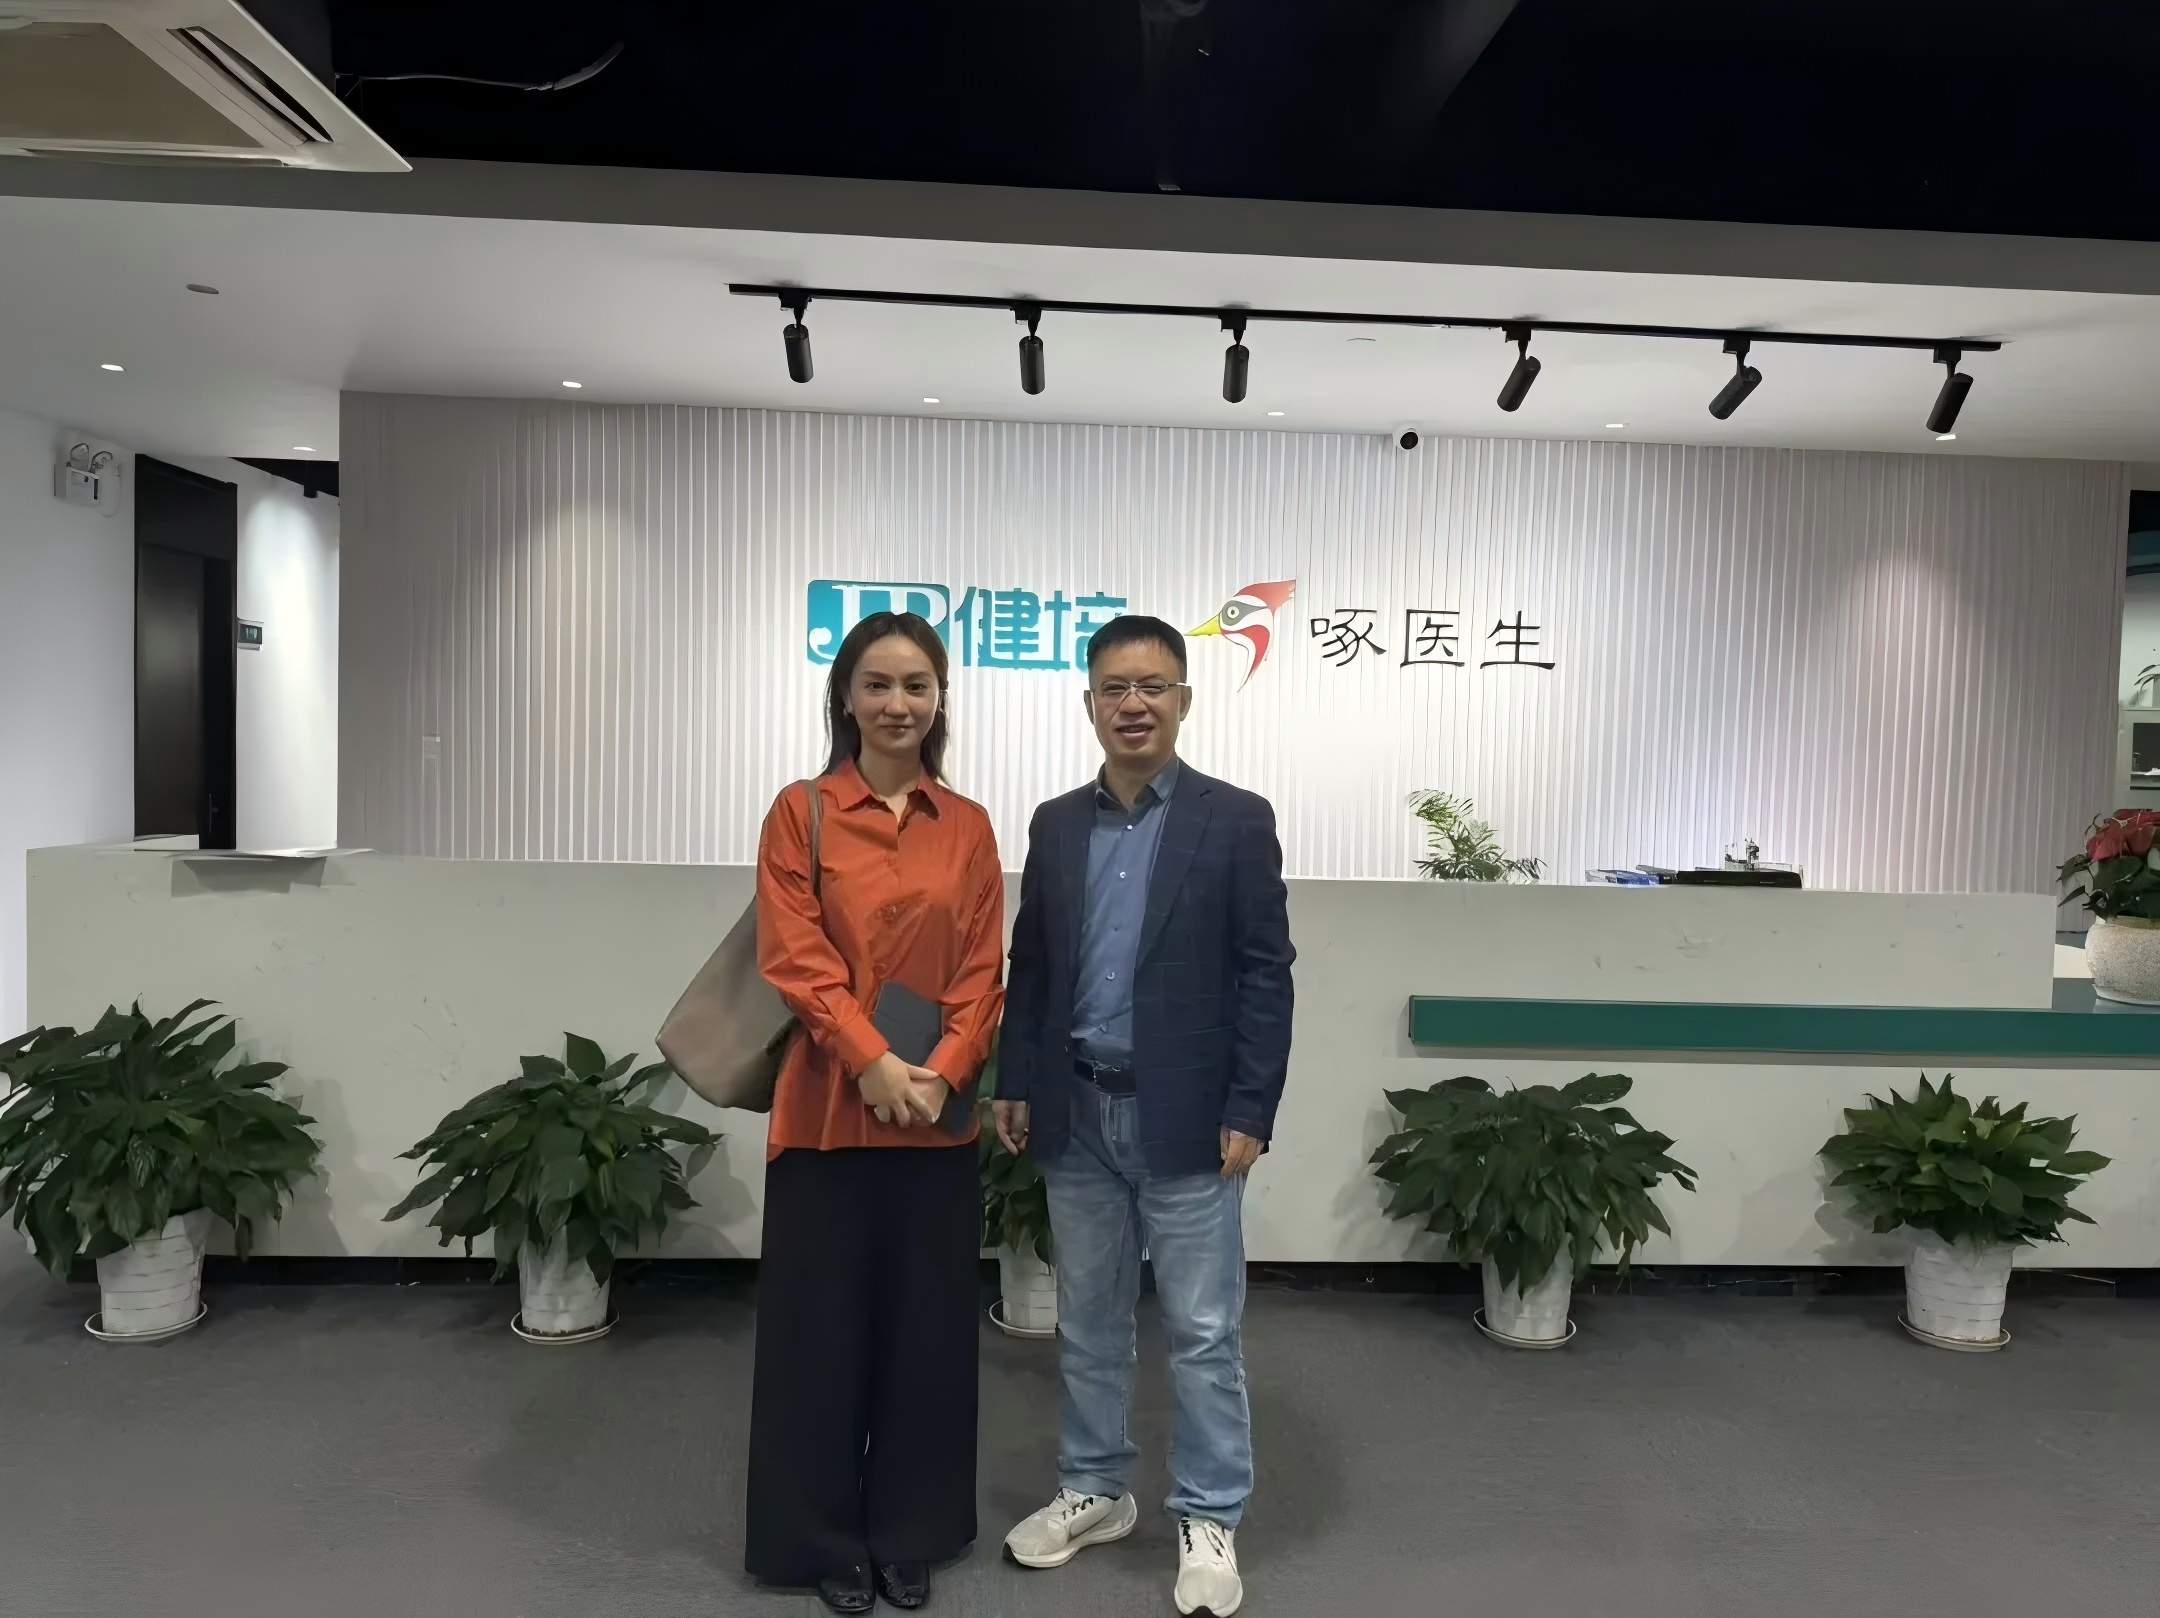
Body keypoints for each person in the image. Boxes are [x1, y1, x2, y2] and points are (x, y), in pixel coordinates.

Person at [995, 613, 1296, 1618]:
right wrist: (1015, 1078)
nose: (1134, 703)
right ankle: (1097, 1485)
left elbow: (1266, 973)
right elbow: (1033, 964)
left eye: (1153, 686)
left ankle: (1209, 1513)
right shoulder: (1055, 824)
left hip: (1192, 1118)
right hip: (1076, 1108)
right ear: (1090, 704)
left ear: (1184, 701)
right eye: (1115, 688)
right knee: (1088, 1319)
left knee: (1203, 1332)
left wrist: (1252, 1102)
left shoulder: (1235, 819)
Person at [746, 610, 1005, 1615]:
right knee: (819, 1336)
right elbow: (794, 957)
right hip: (825, 1113)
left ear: (940, 700)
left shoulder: (968, 825)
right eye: (878, 684)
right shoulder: (800, 812)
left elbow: (983, 968)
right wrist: (871, 1060)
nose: (899, 704)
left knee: (925, 1338)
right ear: (846, 698)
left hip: (935, 1119)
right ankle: (821, 1537)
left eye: (917, 685)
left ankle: (910, 1529)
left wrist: (940, 1071)